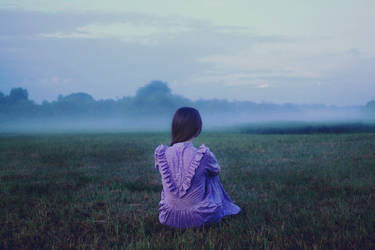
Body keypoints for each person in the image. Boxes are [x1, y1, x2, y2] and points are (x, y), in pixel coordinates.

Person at [154, 107, 241, 228]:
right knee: (212, 176)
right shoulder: (203, 155)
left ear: (175, 127)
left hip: (167, 217)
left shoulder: (161, 153)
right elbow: (217, 171)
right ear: (197, 129)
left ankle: (176, 207)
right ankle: (218, 206)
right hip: (199, 218)